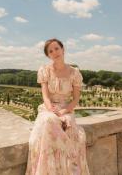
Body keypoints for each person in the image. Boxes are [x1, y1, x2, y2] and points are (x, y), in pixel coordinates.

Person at [25, 38, 90, 175]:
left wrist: (65, 111)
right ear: (48, 55)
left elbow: (76, 98)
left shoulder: (74, 73)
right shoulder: (45, 71)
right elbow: (45, 96)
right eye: (50, 51)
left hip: (66, 108)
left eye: (56, 49)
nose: (54, 52)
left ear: (63, 49)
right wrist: (51, 109)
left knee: (68, 123)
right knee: (50, 120)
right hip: (49, 108)